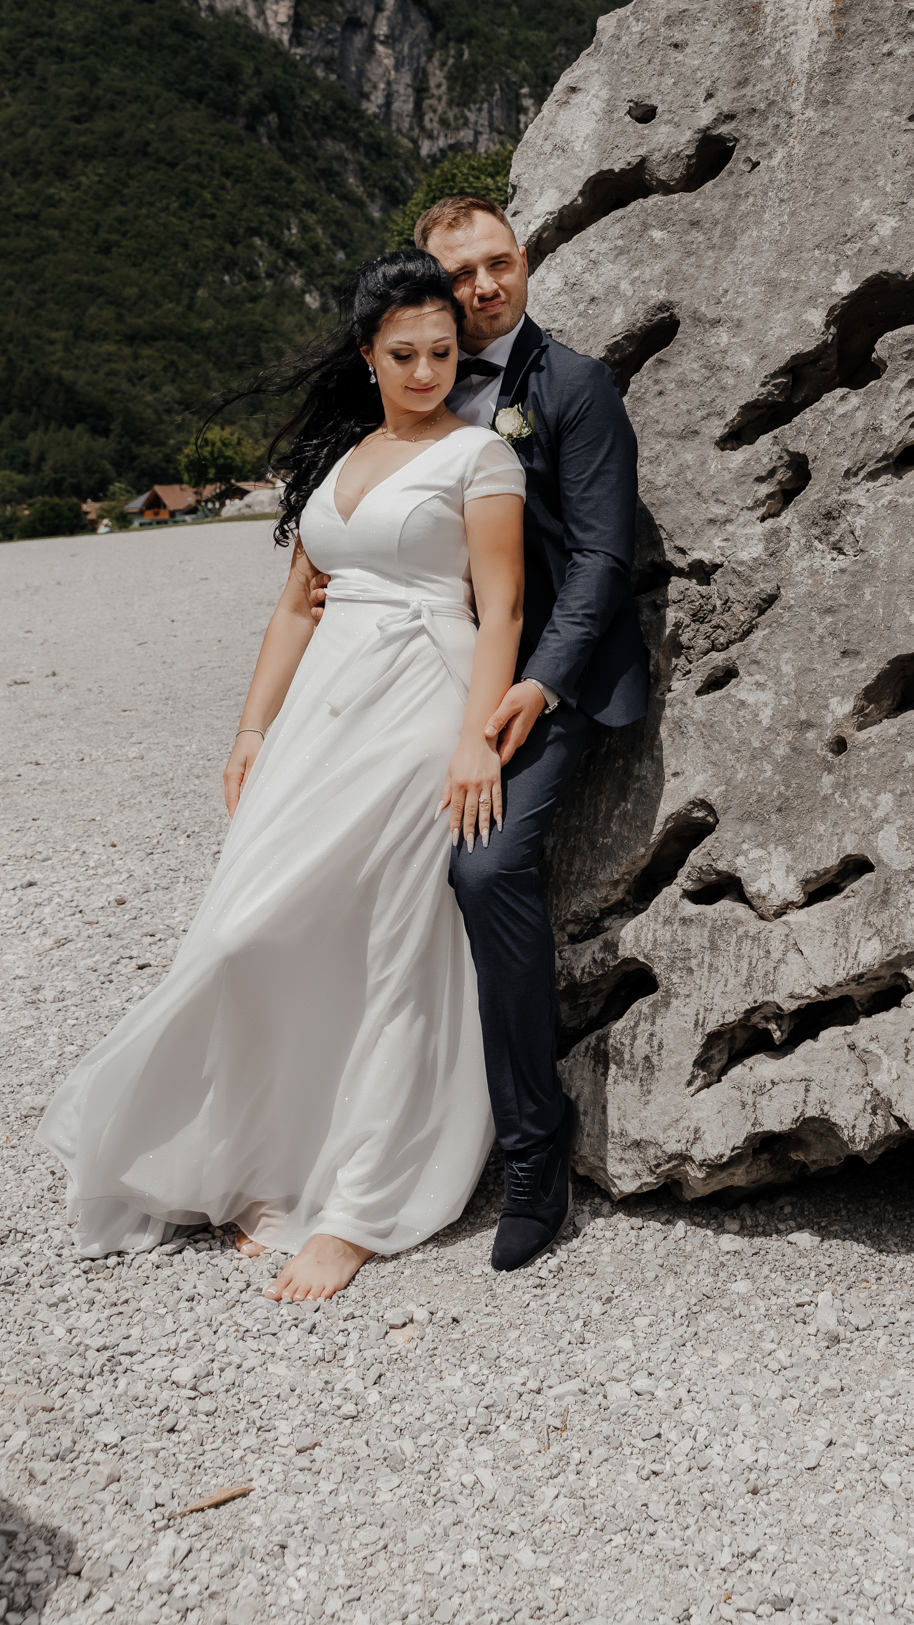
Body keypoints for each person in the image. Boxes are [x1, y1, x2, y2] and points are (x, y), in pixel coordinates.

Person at [36, 251, 527, 1300]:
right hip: (321, 713)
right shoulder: (341, 457)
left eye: (443, 353)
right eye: (405, 354)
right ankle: (270, 1158)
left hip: (421, 705)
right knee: (247, 931)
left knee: (393, 944)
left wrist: (475, 738)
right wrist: (251, 729)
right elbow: (297, 607)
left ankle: (358, 1206)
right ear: (366, 355)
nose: (427, 371)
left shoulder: (481, 457)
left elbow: (503, 607)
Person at [408, 193, 650, 1272]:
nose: (484, 286)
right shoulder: (413, 385)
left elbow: (601, 559)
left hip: (548, 679)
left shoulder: (575, 385)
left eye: (498, 262)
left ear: (524, 260)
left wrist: (540, 684)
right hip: (432, 669)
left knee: (485, 864)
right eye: (461, 273)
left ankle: (533, 1146)